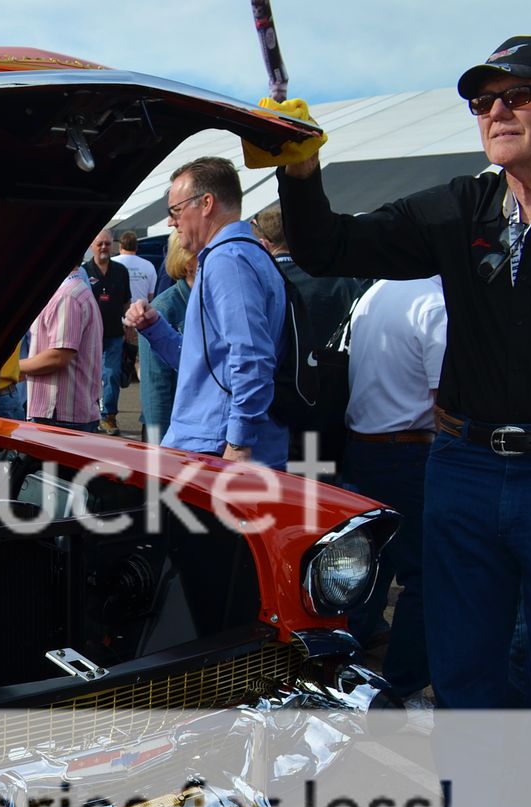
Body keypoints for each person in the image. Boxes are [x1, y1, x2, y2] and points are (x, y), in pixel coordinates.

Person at [273, 35, 531, 807]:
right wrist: (297, 165)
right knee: (464, 671)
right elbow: (326, 245)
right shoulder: (459, 206)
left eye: (516, 94)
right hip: (465, 471)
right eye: (480, 100)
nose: (495, 111)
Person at [126, 157, 288, 468]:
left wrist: (239, 442)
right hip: (217, 442)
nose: (172, 222)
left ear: (206, 203)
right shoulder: (242, 253)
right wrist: (155, 326)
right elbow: (206, 363)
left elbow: (252, 356)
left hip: (217, 446)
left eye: (175, 211)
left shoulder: (228, 259)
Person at [341, 276, 445, 713]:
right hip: (408, 449)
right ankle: (403, 684)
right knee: (425, 574)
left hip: (362, 445)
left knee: (372, 564)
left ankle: (359, 650)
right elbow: (445, 402)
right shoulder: (435, 301)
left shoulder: (375, 291)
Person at [251, 202, 365, 354]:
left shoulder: (262, 292)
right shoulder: (334, 273)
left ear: (263, 245)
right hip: (352, 362)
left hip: (305, 374)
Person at [18, 265, 104, 432]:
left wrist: (11, 369)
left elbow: (59, 356)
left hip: (60, 413)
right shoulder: (74, 292)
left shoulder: (67, 297)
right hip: (65, 411)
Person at [143, 234, 194, 442]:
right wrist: (160, 453)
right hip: (175, 437)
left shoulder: (214, 299)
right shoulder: (164, 307)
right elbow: (155, 388)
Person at [82, 229, 132, 435]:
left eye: (107, 244)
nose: (103, 247)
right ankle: (90, 414)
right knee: (89, 376)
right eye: (99, 243)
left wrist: (128, 327)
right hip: (89, 336)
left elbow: (127, 302)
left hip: (114, 334)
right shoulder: (85, 271)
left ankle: (108, 416)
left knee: (111, 375)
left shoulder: (121, 271)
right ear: (92, 246)